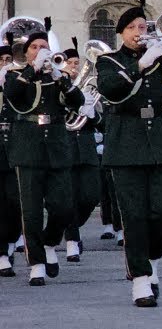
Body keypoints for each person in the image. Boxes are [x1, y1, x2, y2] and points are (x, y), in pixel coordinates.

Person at [96, 0, 162, 307]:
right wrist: (141, 64)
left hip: (160, 144)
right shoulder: (109, 61)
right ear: (122, 33)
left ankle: (153, 259)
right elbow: (110, 88)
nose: (140, 33)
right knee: (134, 215)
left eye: (144, 27)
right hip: (126, 145)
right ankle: (140, 279)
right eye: (134, 28)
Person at [3, 20, 85, 285]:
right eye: (35, 47)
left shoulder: (57, 76)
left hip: (57, 146)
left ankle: (50, 243)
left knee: (62, 206)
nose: (41, 51)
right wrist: (32, 69)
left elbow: (78, 101)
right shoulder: (16, 75)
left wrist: (63, 78)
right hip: (28, 146)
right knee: (31, 210)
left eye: (44, 47)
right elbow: (12, 94)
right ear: (26, 52)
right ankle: (36, 262)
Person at [59, 41, 102, 262]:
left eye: (77, 63)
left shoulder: (86, 87)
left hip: (86, 148)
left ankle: (73, 226)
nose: (75, 67)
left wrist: (91, 113)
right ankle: (72, 240)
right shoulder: (55, 85)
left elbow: (101, 121)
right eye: (71, 63)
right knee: (69, 197)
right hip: (64, 147)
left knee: (89, 196)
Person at [0, 39, 19, 277]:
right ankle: (2, 252)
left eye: (7, 60)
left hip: (16, 149)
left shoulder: (19, 85)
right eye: (0, 61)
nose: (5, 65)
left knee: (16, 202)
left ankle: (12, 239)